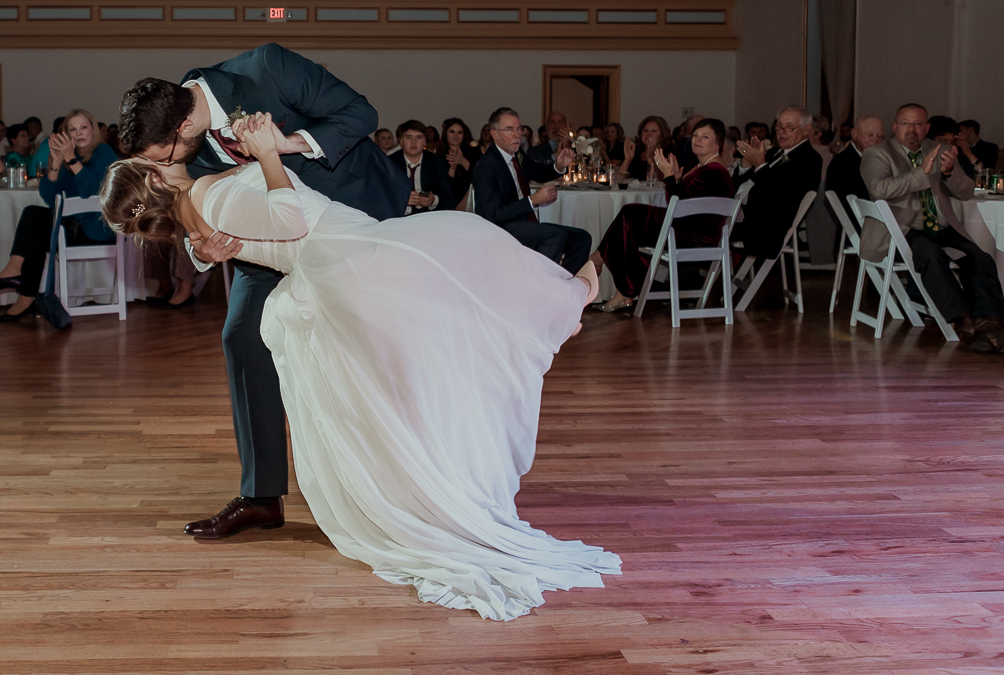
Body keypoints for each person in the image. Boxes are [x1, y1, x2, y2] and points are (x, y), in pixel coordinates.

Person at [99, 111, 618, 620]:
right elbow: (289, 220)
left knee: (449, 309)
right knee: (465, 264)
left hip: (343, 259)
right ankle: (556, 311)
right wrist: (267, 156)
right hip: (345, 256)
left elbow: (219, 228)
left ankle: (547, 318)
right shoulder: (202, 198)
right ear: (152, 174)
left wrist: (216, 223)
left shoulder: (193, 208)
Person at [118, 44, 408, 541]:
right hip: (268, 243)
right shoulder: (174, 142)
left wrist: (285, 144)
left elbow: (360, 113)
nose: (159, 170)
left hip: (349, 215)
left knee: (365, 349)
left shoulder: (266, 69)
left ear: (183, 128)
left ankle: (392, 483)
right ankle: (260, 497)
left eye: (160, 158)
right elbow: (185, 201)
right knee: (242, 337)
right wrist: (201, 250)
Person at [862, 103, 1004, 353]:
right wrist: (922, 173)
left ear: (927, 128)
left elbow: (966, 192)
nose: (912, 129)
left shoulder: (940, 150)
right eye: (906, 123)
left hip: (940, 226)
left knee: (980, 258)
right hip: (901, 229)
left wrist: (950, 172)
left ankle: (989, 324)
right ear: (895, 127)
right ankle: (962, 322)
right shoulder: (877, 153)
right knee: (931, 254)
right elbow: (879, 190)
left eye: (918, 124)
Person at [0, 109, 122, 320]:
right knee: (35, 225)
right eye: (73, 129)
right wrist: (55, 164)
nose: (79, 133)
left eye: (83, 127)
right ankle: (21, 288)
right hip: (73, 227)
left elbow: (91, 191)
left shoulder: (104, 152)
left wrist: (71, 159)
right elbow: (49, 197)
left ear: (92, 129)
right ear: (67, 134)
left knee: (35, 222)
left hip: (97, 229)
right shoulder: (69, 157)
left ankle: (19, 284)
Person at [591, 118, 736, 312]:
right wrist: (675, 179)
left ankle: (608, 270)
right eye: (695, 135)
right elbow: (682, 201)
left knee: (630, 216)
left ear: (718, 143)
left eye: (705, 136)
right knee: (630, 217)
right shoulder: (702, 166)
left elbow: (680, 206)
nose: (697, 140)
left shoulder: (714, 171)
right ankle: (619, 283)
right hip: (687, 230)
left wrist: (669, 177)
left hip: (692, 236)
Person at [472, 107, 591, 272]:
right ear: (494, 134)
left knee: (582, 238)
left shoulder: (516, 154)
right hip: (500, 227)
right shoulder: (486, 164)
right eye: (509, 130)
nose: (517, 135)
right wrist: (533, 200)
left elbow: (537, 172)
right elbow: (494, 214)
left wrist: (558, 166)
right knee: (556, 235)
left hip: (522, 223)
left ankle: (563, 283)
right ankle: (538, 282)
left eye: (519, 129)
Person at [731, 105, 823, 260]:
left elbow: (778, 195)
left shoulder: (809, 159)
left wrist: (760, 165)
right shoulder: (773, 153)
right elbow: (736, 186)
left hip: (764, 229)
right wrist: (747, 163)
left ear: (806, 129)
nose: (781, 132)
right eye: (779, 126)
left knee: (704, 230)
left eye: (789, 127)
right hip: (741, 216)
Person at [389, 120, 454, 215]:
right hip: (399, 217)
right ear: (401, 141)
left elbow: (449, 199)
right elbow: (382, 197)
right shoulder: (390, 163)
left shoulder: (436, 163)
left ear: (425, 142)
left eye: (419, 138)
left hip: (429, 217)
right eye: (408, 137)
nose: (413, 142)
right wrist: (402, 201)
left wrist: (433, 200)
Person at [827, 115, 883, 203]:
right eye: (870, 135)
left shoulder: (881, 160)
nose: (875, 139)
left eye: (880, 136)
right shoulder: (842, 164)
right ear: (854, 134)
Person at [439, 117, 481, 206]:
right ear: (445, 133)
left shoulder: (474, 152)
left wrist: (463, 161)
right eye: (452, 132)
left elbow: (481, 176)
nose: (456, 136)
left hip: (473, 199)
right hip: (450, 201)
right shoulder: (439, 156)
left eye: (459, 132)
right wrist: (452, 169)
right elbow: (443, 187)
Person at [621, 116, 672, 181]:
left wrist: (650, 159)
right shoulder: (636, 152)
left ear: (662, 136)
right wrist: (627, 159)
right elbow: (618, 179)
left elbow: (662, 182)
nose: (648, 134)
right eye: (645, 130)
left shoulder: (668, 154)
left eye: (654, 131)